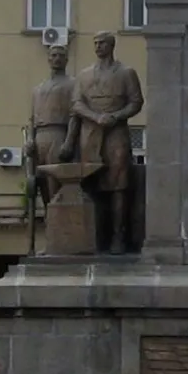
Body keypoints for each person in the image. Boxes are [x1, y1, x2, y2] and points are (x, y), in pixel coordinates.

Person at [72, 31, 145, 254]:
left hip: (116, 133)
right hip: (90, 134)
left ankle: (118, 236)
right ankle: (94, 236)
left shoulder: (126, 73)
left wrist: (116, 116)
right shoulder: (84, 75)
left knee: (118, 185)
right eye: (95, 43)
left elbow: (136, 102)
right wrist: (96, 117)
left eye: (102, 43)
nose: (98, 46)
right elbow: (76, 104)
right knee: (90, 183)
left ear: (112, 45)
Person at [24, 43, 81, 205]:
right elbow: (32, 119)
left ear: (67, 60)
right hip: (40, 137)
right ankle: (49, 216)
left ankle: (60, 217)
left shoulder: (73, 84)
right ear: (48, 59)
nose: (57, 59)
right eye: (54, 55)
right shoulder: (38, 89)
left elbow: (75, 114)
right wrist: (30, 139)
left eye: (61, 56)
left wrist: (69, 141)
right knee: (41, 182)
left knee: (56, 182)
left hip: (59, 133)